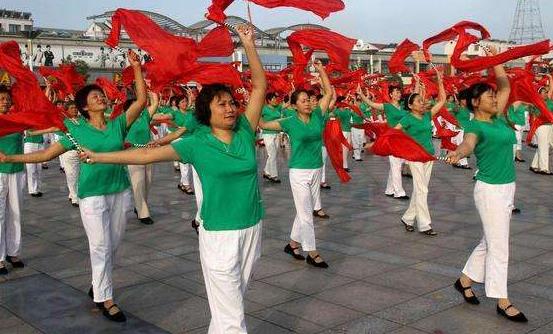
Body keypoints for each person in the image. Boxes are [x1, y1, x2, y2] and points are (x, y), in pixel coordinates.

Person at [79, 26, 266, 333]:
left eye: (232, 103)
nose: (231, 108)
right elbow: (145, 156)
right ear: (206, 112)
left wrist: (248, 44)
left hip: (252, 227)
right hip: (219, 234)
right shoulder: (197, 142)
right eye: (222, 104)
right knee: (232, 315)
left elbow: (258, 87)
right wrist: (100, 157)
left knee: (231, 304)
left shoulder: (245, 130)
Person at [0, 50, 146, 322]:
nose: (100, 97)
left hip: (119, 191)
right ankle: (106, 298)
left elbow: (141, 101)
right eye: (94, 97)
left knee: (113, 245)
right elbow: (45, 155)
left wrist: (136, 67)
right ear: (85, 107)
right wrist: (10, 157)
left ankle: (99, 285)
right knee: (100, 246)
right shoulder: (75, 131)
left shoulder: (118, 126)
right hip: (92, 195)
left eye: (100, 95)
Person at [446, 48, 528, 322]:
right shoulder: (476, 126)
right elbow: (467, 143)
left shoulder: (497, 116)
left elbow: (504, 84)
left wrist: (497, 61)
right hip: (490, 190)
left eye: (494, 96)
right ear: (474, 103)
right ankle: (502, 300)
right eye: (489, 97)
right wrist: (459, 152)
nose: (495, 98)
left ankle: (465, 280)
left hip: (507, 188)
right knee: (499, 246)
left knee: (489, 241)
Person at [260, 60, 332, 268]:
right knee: (306, 213)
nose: (308, 103)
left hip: (316, 168)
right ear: (294, 105)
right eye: (303, 100)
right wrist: (252, 107)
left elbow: (327, 93)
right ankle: (312, 251)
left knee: (304, 210)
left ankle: (292, 244)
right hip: (299, 171)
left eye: (309, 100)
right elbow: (264, 124)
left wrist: (321, 71)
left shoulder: (318, 115)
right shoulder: (289, 122)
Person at [396, 68, 445, 236]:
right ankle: (425, 224)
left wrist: (439, 80)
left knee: (420, 190)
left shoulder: (427, 115)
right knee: (423, 190)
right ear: (410, 106)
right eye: (418, 101)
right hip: (415, 157)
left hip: (429, 155)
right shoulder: (407, 118)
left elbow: (442, 100)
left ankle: (408, 218)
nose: (421, 103)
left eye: (421, 101)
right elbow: (394, 133)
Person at [358, 85, 409, 199]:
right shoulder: (387, 106)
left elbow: (413, 98)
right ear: (390, 94)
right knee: (396, 165)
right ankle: (399, 192)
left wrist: (417, 84)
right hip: (392, 138)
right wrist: (361, 95)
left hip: (403, 138)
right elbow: (371, 104)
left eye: (399, 92)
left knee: (397, 165)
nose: (398, 94)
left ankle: (389, 189)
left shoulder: (403, 107)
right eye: (395, 92)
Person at [0, 85, 26, 275]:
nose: (5, 102)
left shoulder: (16, 119)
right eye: (1, 99)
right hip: (0, 172)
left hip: (17, 170)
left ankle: (13, 252)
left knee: (16, 212)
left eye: (7, 99)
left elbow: (33, 128)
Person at [529, 76, 553, 174]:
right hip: (541, 126)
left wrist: (550, 78)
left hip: (550, 125)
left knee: (548, 146)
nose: (546, 93)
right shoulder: (536, 103)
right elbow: (534, 116)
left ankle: (534, 164)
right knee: (543, 146)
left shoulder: (549, 101)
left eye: (546, 92)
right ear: (539, 94)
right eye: (544, 92)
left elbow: (551, 88)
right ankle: (544, 168)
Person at [261, 92, 282, 183]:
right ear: (269, 100)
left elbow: (287, 104)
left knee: (273, 154)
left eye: (275, 98)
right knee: (272, 154)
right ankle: (274, 175)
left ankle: (266, 171)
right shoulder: (264, 109)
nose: (275, 100)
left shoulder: (277, 107)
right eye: (273, 98)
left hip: (276, 133)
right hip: (267, 133)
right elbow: (257, 115)